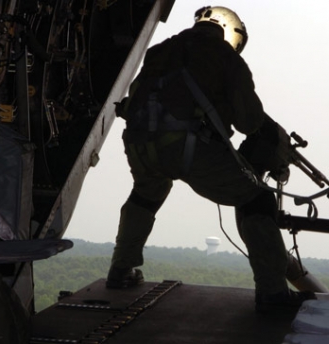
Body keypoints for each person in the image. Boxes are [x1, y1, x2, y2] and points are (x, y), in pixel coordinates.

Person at [106, 5, 316, 312]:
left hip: (138, 143)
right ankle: (272, 294)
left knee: (145, 196)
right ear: (230, 33)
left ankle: (120, 271)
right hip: (185, 146)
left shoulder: (161, 51)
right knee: (257, 200)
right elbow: (250, 120)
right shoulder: (224, 56)